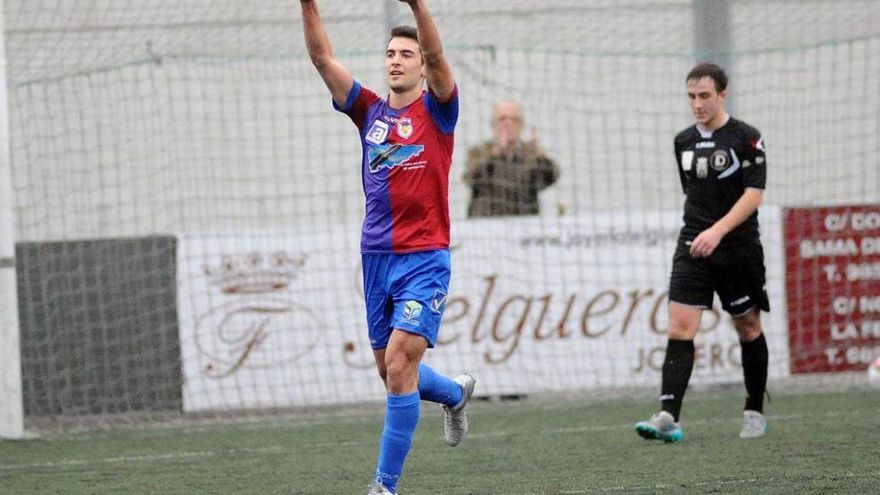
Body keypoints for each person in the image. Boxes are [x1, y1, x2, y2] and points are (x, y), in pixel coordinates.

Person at [298, 1, 475, 494]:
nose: (396, 60)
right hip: (375, 257)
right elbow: (321, 59)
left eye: (406, 54)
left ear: (421, 66)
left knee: (399, 365)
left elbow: (440, 59)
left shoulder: (439, 110)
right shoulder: (368, 112)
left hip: (425, 258)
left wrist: (417, 5)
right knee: (392, 371)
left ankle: (383, 486)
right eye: (391, 53)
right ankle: (455, 392)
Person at [635, 63, 770, 443]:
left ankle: (754, 408)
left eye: (705, 96)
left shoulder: (747, 138)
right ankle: (668, 416)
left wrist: (718, 231)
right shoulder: (683, 141)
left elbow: (754, 195)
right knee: (679, 327)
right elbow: (693, 192)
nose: (697, 104)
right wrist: (703, 232)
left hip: (738, 248)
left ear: (722, 95)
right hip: (693, 244)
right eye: (692, 97)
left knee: (747, 327)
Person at [463, 100, 559, 218]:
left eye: (514, 119)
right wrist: (494, 155)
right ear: (493, 125)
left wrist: (539, 157)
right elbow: (469, 179)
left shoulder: (530, 153)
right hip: (485, 224)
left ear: (522, 125)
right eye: (502, 119)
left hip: (524, 224)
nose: (508, 123)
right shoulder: (479, 151)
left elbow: (551, 178)